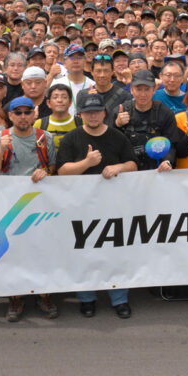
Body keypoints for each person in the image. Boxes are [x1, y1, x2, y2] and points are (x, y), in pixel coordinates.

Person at [55, 92, 138, 318]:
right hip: (80, 207)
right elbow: (62, 171)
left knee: (116, 252)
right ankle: (87, 298)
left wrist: (118, 168)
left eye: (97, 112)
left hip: (114, 206)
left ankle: (119, 299)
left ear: (104, 113)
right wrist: (87, 163)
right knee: (84, 253)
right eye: (88, 112)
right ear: (81, 115)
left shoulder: (117, 137)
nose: (93, 116)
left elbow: (133, 164)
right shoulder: (71, 139)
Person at [0, 97, 57, 322]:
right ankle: (15, 296)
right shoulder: (0, 138)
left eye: (27, 112)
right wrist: (1, 151)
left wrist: (46, 173)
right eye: (18, 112)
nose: (23, 116)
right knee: (13, 250)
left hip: (39, 203)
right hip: (10, 203)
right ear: (11, 116)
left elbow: (53, 167)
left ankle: (44, 294)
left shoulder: (45, 138)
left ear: (34, 115)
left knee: (41, 249)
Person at [114, 70, 181, 171]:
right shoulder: (121, 111)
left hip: (157, 169)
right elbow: (110, 142)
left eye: (147, 89)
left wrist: (167, 161)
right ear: (131, 90)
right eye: (138, 89)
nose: (143, 94)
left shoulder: (165, 113)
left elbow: (171, 144)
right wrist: (117, 124)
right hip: (127, 170)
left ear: (154, 90)